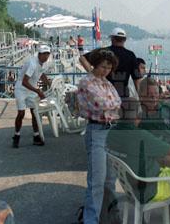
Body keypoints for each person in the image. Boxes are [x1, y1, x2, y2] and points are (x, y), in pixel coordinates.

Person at [76, 48, 121, 224]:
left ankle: (109, 215)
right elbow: (103, 104)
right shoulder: (86, 82)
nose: (106, 71)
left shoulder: (105, 82)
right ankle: (91, 220)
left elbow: (117, 102)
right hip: (97, 131)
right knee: (96, 181)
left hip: (110, 131)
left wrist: (113, 104)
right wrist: (114, 105)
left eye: (109, 68)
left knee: (110, 180)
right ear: (95, 64)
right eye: (103, 67)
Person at [12, 45, 52, 148]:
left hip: (32, 88)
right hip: (21, 88)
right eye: (44, 54)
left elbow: (41, 73)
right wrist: (38, 91)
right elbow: (24, 82)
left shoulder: (44, 63)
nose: (46, 56)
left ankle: (36, 136)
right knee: (21, 113)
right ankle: (16, 135)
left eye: (47, 54)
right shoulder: (32, 63)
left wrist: (48, 83)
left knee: (35, 112)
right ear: (39, 54)